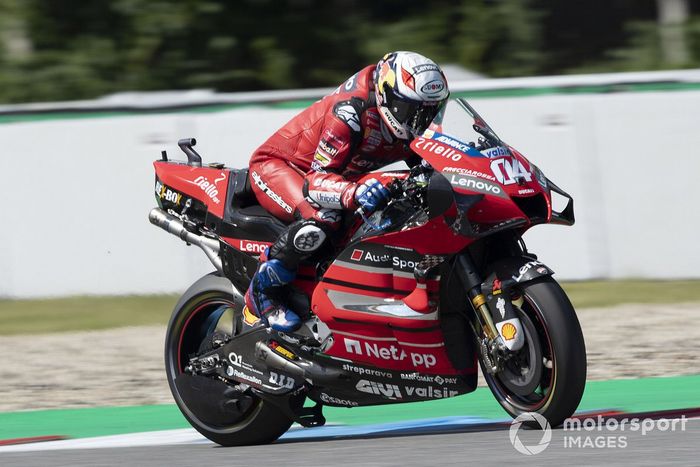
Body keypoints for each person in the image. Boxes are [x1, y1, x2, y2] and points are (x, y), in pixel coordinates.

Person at [245, 51, 450, 332]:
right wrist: (354, 193)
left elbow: (433, 165)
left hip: (340, 175)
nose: (421, 121)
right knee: (323, 218)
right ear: (388, 96)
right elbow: (315, 181)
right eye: (413, 111)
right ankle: (262, 292)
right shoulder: (351, 111)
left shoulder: (410, 123)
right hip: (283, 168)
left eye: (430, 110)